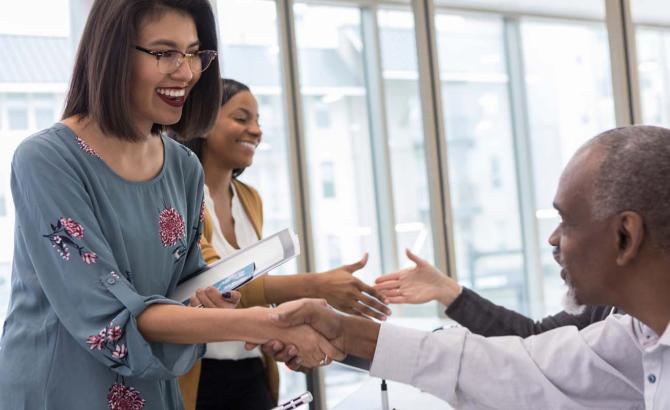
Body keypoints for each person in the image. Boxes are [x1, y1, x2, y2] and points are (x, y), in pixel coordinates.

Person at [0, 1, 342, 409]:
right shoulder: (47, 159)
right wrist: (270, 322)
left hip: (154, 390)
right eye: (164, 53)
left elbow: (183, 290)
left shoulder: (183, 167)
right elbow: (107, 316)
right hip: (61, 389)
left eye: (195, 53)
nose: (186, 71)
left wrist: (221, 306)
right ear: (111, 53)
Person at [260, 125, 670, 409]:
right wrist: (346, 331)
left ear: (624, 237)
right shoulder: (638, 336)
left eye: (567, 221)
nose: (553, 240)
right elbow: (521, 366)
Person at [177, 78, 389, 410]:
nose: (256, 131)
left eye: (258, 121)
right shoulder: (181, 196)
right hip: (200, 376)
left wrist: (283, 332)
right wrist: (317, 285)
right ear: (202, 122)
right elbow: (221, 282)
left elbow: (251, 292)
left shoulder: (249, 199)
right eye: (242, 117)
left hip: (251, 371)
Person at [374, 249, 615, 337]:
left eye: (570, 222)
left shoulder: (630, 327)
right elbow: (534, 337)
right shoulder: (606, 306)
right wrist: (446, 290)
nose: (553, 240)